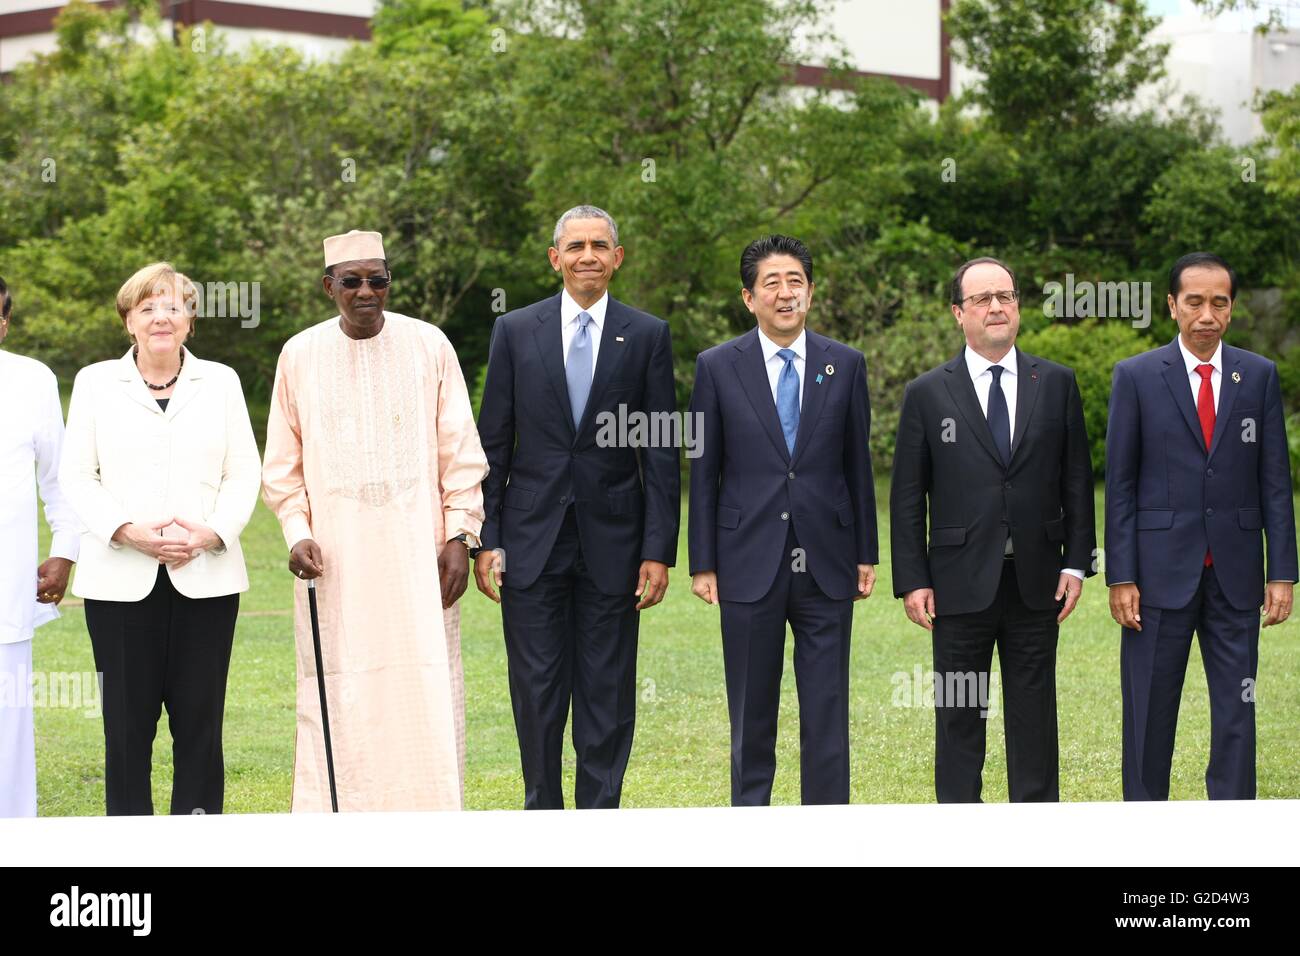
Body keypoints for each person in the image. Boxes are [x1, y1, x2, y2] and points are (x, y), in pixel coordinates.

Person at [263, 229, 488, 811]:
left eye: (378, 279)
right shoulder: (299, 354)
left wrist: (460, 535)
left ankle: (430, 823)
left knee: (424, 686)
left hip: (419, 555)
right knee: (342, 689)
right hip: (336, 562)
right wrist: (297, 534)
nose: (367, 291)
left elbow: (459, 452)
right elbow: (282, 468)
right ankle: (341, 824)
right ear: (328, 286)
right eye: (352, 281)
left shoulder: (429, 344)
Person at [475, 205, 679, 809]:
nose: (587, 255)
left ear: (617, 257)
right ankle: (543, 817)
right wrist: (488, 538)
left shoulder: (647, 335)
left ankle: (599, 823)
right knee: (536, 692)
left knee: (607, 692)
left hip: (614, 546)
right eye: (575, 246)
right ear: (554, 258)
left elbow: (662, 452)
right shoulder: (514, 332)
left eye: (599, 245)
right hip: (531, 543)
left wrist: (657, 550)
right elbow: (493, 443)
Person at [890, 256, 1095, 803]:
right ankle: (962, 835)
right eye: (981, 299)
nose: (996, 307)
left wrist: (1077, 562)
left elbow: (1077, 481)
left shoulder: (1055, 383)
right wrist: (912, 579)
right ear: (959, 313)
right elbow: (908, 497)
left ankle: (1035, 835)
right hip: (957, 583)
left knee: (1035, 716)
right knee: (959, 716)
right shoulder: (928, 393)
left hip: (1037, 583)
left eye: (1005, 296)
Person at [59, 262, 261, 815]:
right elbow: (77, 475)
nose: (161, 318)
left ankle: (195, 848)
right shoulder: (95, 383)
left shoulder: (220, 382)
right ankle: (130, 849)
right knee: (126, 728)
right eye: (147, 308)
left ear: (190, 320)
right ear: (128, 321)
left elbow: (243, 472)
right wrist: (127, 531)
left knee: (200, 725)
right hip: (119, 583)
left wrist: (214, 532)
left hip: (208, 579)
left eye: (172, 306)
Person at [687, 235, 877, 806]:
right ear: (749, 298)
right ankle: (753, 829)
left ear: (811, 293)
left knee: (826, 709)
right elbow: (703, 471)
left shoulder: (844, 364)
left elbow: (858, 465)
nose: (785, 293)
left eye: (795, 281)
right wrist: (703, 562)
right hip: (747, 560)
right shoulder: (718, 367)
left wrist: (866, 550)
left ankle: (826, 833)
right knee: (751, 712)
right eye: (772, 283)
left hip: (828, 560)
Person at [1106, 252, 1296, 801]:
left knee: (1238, 713)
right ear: (1172, 306)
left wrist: (1281, 571)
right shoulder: (1136, 377)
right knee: (1148, 713)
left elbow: (1275, 482)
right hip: (1158, 578)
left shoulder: (1257, 376)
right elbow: (1119, 486)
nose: (1207, 314)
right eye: (1195, 302)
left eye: (1219, 302)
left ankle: (1233, 831)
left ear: (1231, 309)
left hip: (1235, 578)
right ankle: (1145, 831)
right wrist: (1121, 575)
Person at [0, 275, 81, 818]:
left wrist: (65, 550)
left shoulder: (31, 380)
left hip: (8, 588)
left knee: (8, 726)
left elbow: (60, 481)